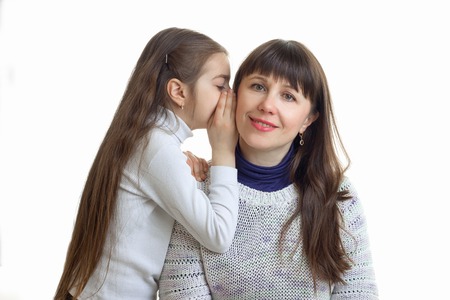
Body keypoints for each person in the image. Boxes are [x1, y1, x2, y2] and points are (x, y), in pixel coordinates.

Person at [159, 39, 378, 299]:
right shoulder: (194, 186)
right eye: (258, 86)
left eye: (288, 96)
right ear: (233, 94)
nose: (267, 105)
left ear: (308, 119)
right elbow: (182, 292)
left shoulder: (338, 196)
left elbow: (357, 292)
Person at [54, 27, 240, 300]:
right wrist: (224, 151)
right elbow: (218, 235)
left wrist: (197, 167)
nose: (229, 96)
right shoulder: (157, 147)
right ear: (178, 91)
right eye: (220, 85)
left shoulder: (153, 140)